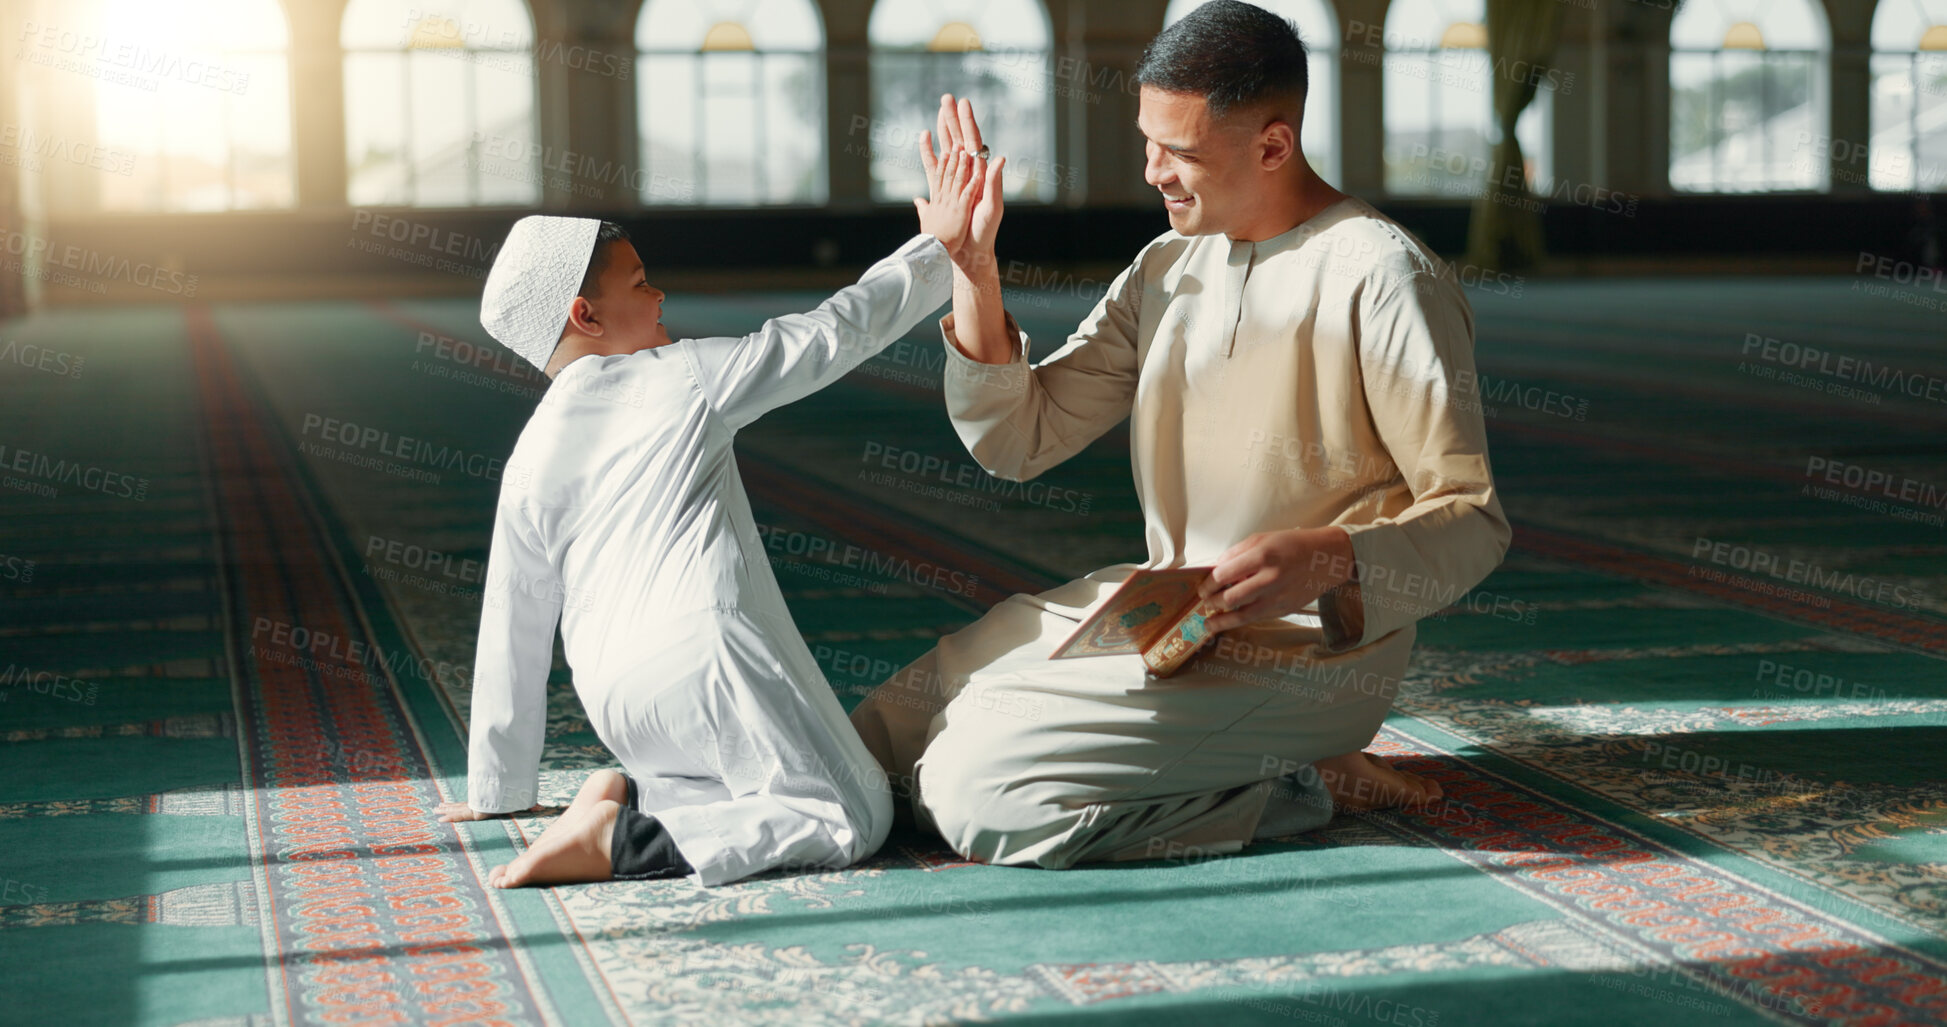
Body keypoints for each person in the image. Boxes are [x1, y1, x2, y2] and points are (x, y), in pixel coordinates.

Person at [850, 0, 1511, 869]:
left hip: (1306, 658)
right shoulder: (1166, 267)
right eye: (1147, 142)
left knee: (980, 791)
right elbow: (1019, 439)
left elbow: (1472, 520)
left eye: (1182, 152)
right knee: (890, 727)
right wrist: (973, 272)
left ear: (1272, 146)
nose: (1154, 171)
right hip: (1163, 613)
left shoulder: (1383, 279)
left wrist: (1330, 557)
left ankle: (1303, 781)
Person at [433, 138, 998, 888]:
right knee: (850, 811)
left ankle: (630, 788)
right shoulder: (684, 377)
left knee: (741, 779)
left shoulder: (527, 457)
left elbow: (513, 623)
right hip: (712, 663)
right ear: (585, 313)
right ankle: (625, 834)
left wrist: (497, 790)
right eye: (640, 283)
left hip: (614, 701)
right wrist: (938, 250)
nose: (659, 296)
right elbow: (833, 333)